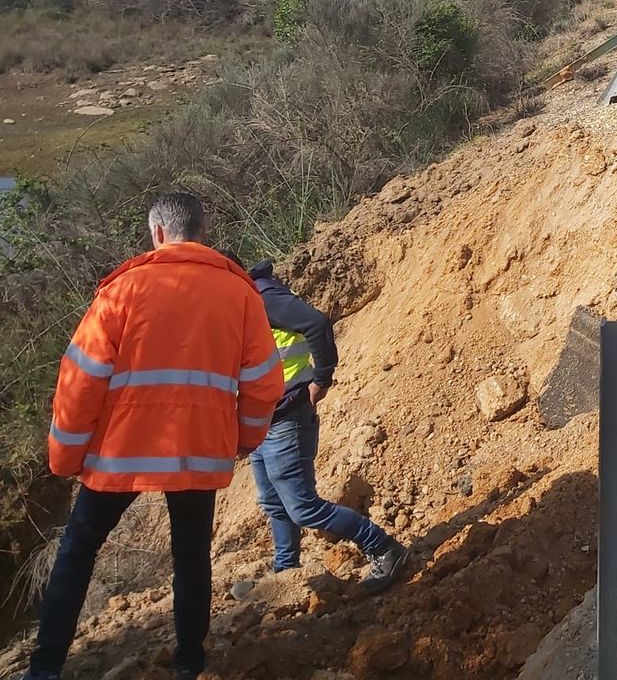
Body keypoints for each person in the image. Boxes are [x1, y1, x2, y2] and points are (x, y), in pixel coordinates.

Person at [22, 194, 285, 680]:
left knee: (78, 551)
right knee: (191, 557)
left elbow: (80, 381)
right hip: (200, 451)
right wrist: (243, 441)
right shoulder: (240, 292)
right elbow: (265, 382)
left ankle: (45, 668)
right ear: (201, 232)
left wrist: (64, 458)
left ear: (158, 233)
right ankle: (190, 663)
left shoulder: (122, 291)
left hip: (120, 453)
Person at [242, 260, 409, 592]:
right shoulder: (238, 305)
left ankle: (384, 548)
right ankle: (285, 572)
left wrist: (322, 379)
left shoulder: (262, 297)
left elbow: (316, 323)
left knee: (302, 507)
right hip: (264, 421)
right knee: (274, 502)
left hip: (287, 415)